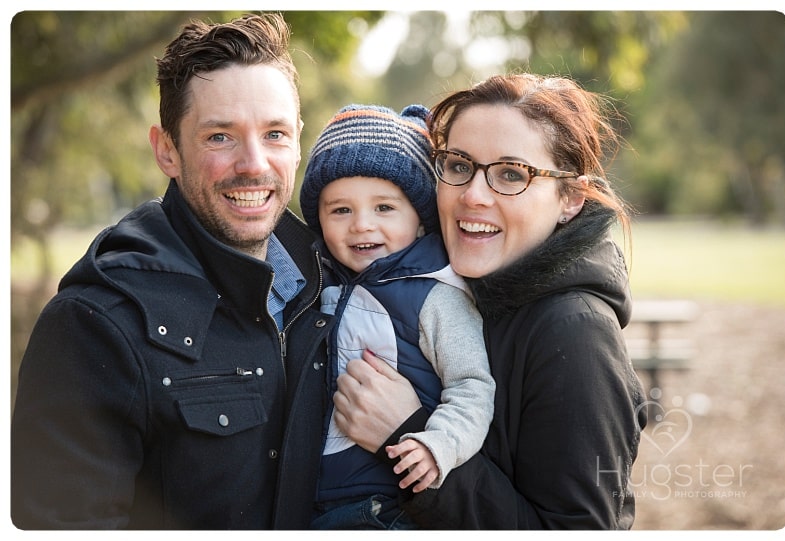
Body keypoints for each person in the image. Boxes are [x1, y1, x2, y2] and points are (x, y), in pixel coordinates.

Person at [11, 13, 333, 529]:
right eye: (220, 137)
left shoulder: (332, 289)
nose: (254, 163)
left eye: (273, 134)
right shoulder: (93, 326)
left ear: (297, 140)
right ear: (167, 150)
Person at [332, 73, 649, 529]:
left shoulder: (575, 334)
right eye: (459, 166)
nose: (473, 196)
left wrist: (409, 433)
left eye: (511, 174)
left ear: (571, 198)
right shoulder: (445, 289)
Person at [299, 103, 495, 529]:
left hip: (390, 509)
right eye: (341, 210)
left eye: (384, 208)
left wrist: (438, 445)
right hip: (314, 505)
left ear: (421, 221)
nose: (362, 226)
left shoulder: (435, 295)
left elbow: (472, 385)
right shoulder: (316, 287)